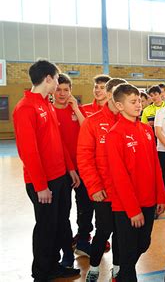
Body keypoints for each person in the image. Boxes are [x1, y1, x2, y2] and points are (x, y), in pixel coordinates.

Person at [13, 59, 81, 281]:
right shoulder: (25, 108)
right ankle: (41, 272)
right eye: (57, 80)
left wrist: (69, 168)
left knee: (58, 225)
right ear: (48, 78)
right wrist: (41, 186)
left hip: (60, 176)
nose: (58, 85)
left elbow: (58, 141)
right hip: (43, 182)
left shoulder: (46, 104)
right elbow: (28, 152)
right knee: (45, 228)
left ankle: (54, 265)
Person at [106, 83, 165, 282]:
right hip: (126, 206)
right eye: (133, 102)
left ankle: (122, 274)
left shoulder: (146, 131)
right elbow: (119, 177)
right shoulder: (115, 134)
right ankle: (124, 276)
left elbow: (156, 166)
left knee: (143, 244)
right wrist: (132, 210)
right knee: (128, 251)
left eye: (139, 101)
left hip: (149, 201)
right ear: (119, 105)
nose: (138, 105)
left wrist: (160, 197)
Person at [77, 78, 127, 282]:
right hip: (103, 192)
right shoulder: (93, 122)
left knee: (121, 233)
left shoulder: (129, 121)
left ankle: (117, 268)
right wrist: (95, 187)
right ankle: (95, 268)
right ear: (108, 94)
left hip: (124, 192)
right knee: (104, 230)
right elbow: (85, 158)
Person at [52, 73, 93, 265]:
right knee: (63, 212)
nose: (62, 93)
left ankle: (83, 240)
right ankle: (65, 250)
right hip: (62, 169)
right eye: (58, 89)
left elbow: (87, 130)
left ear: (71, 91)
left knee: (85, 206)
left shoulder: (77, 110)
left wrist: (76, 108)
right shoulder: (49, 111)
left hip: (82, 166)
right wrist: (69, 168)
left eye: (66, 90)